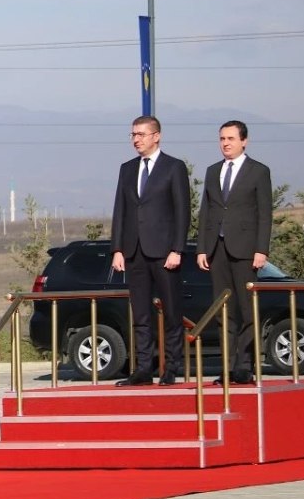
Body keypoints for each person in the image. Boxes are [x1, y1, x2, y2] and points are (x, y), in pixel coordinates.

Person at [110, 115, 191, 387]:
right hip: (134, 251)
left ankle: (171, 369)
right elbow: (120, 210)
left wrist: (177, 248)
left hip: (164, 251)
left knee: (171, 312)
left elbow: (182, 211)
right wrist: (118, 249)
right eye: (133, 134)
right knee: (141, 314)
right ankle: (143, 368)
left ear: (156, 136)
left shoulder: (173, 167)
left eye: (141, 134)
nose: (136, 139)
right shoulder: (127, 169)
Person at [197, 121, 273, 386]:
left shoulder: (258, 171)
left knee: (246, 310)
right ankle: (228, 367)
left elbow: (265, 213)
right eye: (221, 138)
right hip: (217, 250)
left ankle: (244, 365)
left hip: (245, 250)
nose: (225, 143)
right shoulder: (213, 171)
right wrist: (202, 247)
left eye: (230, 138)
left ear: (244, 141)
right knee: (223, 311)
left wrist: (261, 249)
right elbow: (206, 211)